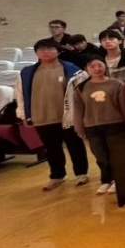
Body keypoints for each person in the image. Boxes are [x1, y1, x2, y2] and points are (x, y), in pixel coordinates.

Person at [15, 39, 89, 190]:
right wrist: (23, 114)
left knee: (75, 145)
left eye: (50, 49)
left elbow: (82, 94)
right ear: (36, 53)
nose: (46, 52)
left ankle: (81, 173)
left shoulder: (71, 69)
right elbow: (20, 94)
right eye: (41, 49)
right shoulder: (27, 73)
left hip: (68, 117)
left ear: (58, 51)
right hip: (41, 116)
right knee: (51, 148)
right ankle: (57, 175)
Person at [72, 56, 125, 195]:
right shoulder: (81, 87)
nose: (97, 69)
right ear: (86, 69)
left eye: (100, 65)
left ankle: (118, 179)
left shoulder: (116, 84)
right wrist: (79, 127)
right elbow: (78, 109)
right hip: (92, 126)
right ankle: (106, 180)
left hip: (114, 124)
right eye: (92, 66)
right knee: (100, 155)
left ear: (105, 66)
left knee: (115, 154)